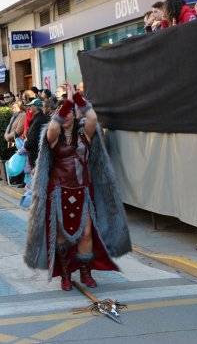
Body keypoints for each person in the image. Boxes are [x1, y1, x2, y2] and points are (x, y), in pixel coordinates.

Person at [24, 83, 131, 291]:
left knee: (87, 232)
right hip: (59, 191)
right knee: (62, 234)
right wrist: (67, 104)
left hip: (83, 191)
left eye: (69, 113)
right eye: (60, 113)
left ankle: (85, 272)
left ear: (75, 115)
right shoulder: (53, 137)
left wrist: (78, 99)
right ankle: (65, 275)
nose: (64, 117)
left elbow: (92, 118)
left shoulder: (85, 134)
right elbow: (53, 127)